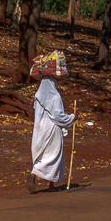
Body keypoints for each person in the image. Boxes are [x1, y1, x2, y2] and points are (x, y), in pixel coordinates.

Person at [27, 51, 76, 193]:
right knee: (54, 156)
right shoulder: (55, 97)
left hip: (39, 129)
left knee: (42, 154)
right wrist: (72, 117)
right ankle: (47, 182)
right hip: (52, 131)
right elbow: (58, 117)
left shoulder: (38, 96)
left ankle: (37, 175)